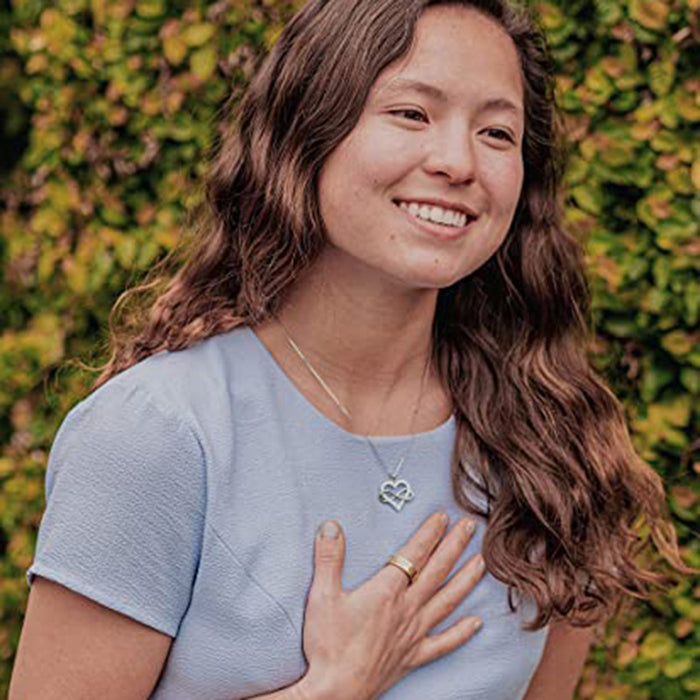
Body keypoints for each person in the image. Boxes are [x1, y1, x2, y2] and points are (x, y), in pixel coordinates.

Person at [9, 0, 692, 698]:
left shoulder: (549, 446)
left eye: (496, 131)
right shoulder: (158, 434)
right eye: (411, 114)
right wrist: (329, 689)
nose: (458, 161)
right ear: (308, 131)